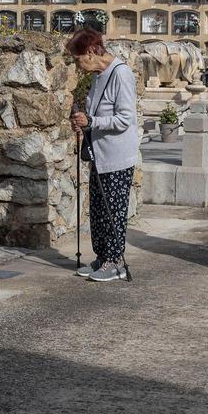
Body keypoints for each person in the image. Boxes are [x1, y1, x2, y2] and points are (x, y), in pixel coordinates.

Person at [68, 28, 139, 283]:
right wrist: (81, 121)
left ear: (89, 52)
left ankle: (116, 261)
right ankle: (102, 257)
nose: (77, 65)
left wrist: (92, 121)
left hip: (117, 157)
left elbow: (126, 119)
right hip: (100, 156)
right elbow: (93, 115)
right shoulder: (98, 76)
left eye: (78, 59)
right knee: (97, 211)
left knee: (114, 212)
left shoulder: (121, 74)